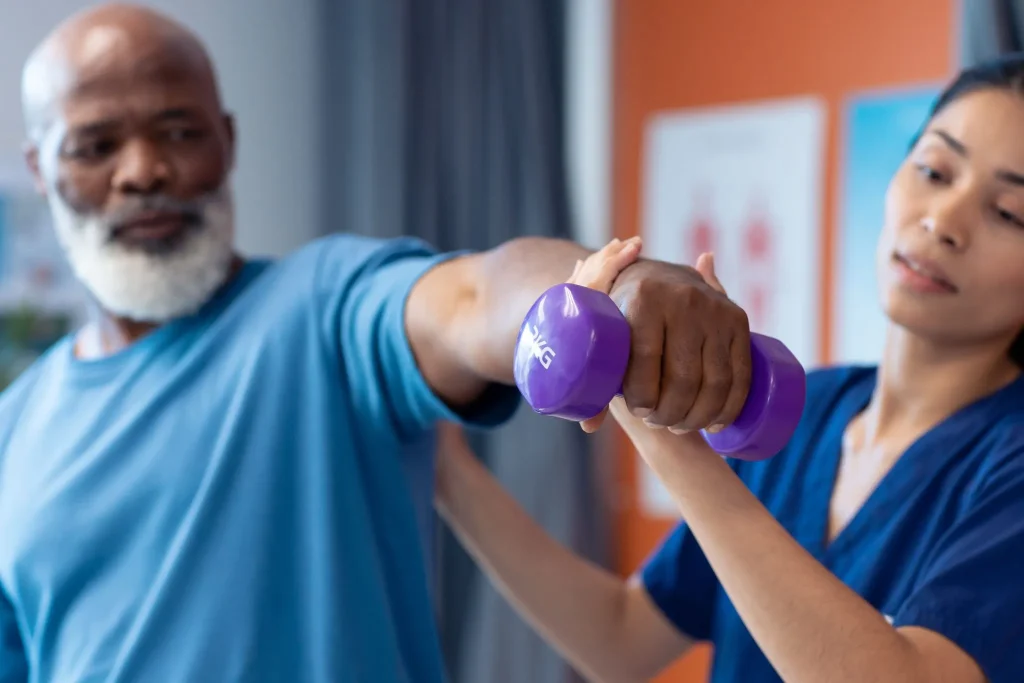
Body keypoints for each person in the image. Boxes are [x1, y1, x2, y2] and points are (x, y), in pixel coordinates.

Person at [0, 4, 758, 683]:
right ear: (41, 168)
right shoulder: (14, 431)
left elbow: (474, 294)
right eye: (95, 146)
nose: (144, 171)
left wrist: (609, 290)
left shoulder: (323, 305)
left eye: (178, 132)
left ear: (226, 142)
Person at [436, 55, 1024, 683]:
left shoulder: (1007, 462)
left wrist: (670, 437)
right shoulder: (811, 407)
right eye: (934, 170)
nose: (943, 223)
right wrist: (446, 470)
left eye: (1010, 212)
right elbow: (621, 638)